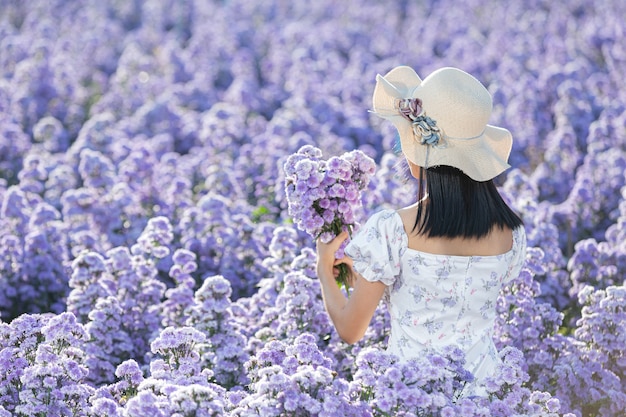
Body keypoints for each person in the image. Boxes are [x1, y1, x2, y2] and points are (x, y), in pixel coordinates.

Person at [316, 66, 527, 397]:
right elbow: (454, 290)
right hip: (488, 398)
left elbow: (350, 329)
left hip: (413, 397)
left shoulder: (393, 231)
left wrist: (324, 271)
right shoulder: (511, 234)